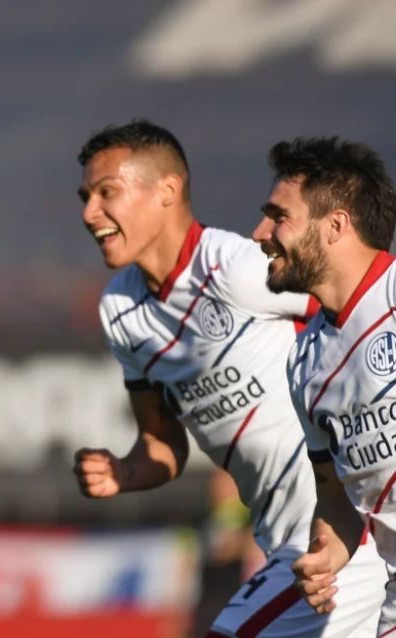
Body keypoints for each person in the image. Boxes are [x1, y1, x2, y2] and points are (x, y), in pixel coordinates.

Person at [72, 120, 386, 636]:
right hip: (293, 545)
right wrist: (123, 471)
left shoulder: (238, 267)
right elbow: (162, 445)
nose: (90, 212)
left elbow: (355, 315)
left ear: (167, 190)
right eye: (86, 197)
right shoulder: (120, 310)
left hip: (344, 539)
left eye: (107, 192)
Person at [252, 136, 396, 634]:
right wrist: (324, 554)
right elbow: (335, 496)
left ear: (336, 224)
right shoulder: (305, 362)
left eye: (279, 217)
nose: (260, 233)